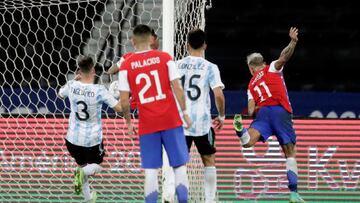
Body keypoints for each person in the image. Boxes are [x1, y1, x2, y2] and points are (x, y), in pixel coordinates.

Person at [118, 24, 192, 203]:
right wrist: (185, 112)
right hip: (171, 120)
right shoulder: (165, 58)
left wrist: (129, 123)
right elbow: (177, 87)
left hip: (147, 124)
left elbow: (125, 101)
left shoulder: (126, 66)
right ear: (152, 39)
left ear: (133, 41)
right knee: (179, 166)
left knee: (151, 169)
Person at [233, 27, 305, 203]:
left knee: (248, 142)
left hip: (263, 114)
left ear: (251, 69)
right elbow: (283, 57)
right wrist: (293, 42)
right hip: (280, 111)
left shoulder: (251, 85)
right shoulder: (271, 68)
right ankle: (294, 194)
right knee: (290, 152)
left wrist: (257, 107)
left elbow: (250, 111)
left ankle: (240, 131)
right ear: (262, 63)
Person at [58, 56, 122, 203]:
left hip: (72, 140)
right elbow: (119, 108)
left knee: (82, 167)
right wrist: (126, 96)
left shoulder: (72, 84)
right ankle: (80, 173)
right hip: (92, 141)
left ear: (79, 71)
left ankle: (88, 199)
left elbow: (60, 95)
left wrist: (74, 79)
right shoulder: (99, 90)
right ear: (93, 70)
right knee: (98, 166)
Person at [176, 28, 225, 203]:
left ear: (186, 44)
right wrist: (221, 116)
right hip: (203, 123)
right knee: (209, 160)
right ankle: (210, 201)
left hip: (181, 123)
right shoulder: (210, 67)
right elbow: (218, 94)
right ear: (205, 45)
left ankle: (180, 199)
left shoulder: (176, 65)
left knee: (180, 164)